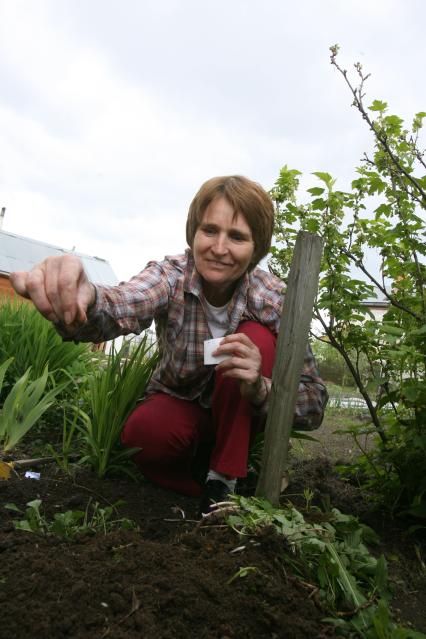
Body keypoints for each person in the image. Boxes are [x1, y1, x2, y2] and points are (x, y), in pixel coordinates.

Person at [10, 175, 327, 516]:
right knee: (144, 434)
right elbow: (124, 302)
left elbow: (314, 401)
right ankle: (190, 489)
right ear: (194, 232)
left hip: (241, 416)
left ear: (256, 248)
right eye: (210, 230)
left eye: (236, 237)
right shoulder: (172, 275)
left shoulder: (273, 298)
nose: (219, 248)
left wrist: (260, 388)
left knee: (256, 339)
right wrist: (86, 298)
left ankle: (222, 482)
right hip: (182, 407)